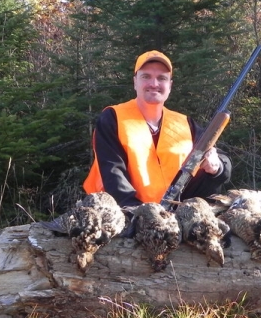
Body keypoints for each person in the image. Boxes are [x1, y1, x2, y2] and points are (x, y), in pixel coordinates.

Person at [83, 50, 232, 207]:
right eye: (146, 76)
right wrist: (140, 215)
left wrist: (217, 166)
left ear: (170, 86)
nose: (154, 84)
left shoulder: (185, 123)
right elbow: (113, 174)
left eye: (161, 78)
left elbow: (220, 159)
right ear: (135, 82)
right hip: (122, 215)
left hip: (176, 217)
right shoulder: (113, 118)